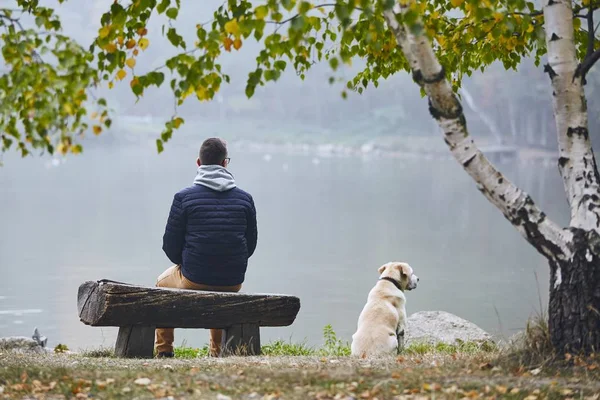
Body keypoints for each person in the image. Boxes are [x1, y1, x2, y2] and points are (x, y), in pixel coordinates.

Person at [154, 138, 258, 358]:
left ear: (199, 163)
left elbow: (169, 246)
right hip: (233, 281)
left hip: (193, 277)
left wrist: (186, 261)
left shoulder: (184, 198)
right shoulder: (245, 199)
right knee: (218, 284)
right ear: (225, 163)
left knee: (161, 284)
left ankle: (164, 350)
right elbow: (250, 246)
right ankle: (217, 352)